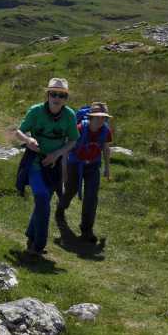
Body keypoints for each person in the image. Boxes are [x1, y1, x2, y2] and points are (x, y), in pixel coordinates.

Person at [15, 77, 79, 255]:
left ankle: (31, 235)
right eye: (53, 94)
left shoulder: (69, 115)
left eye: (61, 95)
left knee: (43, 202)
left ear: (66, 98)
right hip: (35, 162)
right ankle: (39, 245)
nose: (57, 98)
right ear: (47, 95)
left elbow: (73, 140)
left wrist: (57, 154)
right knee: (42, 197)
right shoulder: (35, 111)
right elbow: (19, 131)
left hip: (54, 166)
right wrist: (28, 140)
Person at [55, 102, 113, 243]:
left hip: (93, 166)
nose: (100, 120)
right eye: (97, 117)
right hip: (75, 164)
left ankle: (87, 230)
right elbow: (67, 149)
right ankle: (60, 208)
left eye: (103, 117)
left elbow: (105, 149)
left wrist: (107, 168)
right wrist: (64, 171)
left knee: (91, 197)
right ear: (91, 117)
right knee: (71, 190)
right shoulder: (80, 128)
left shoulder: (106, 131)